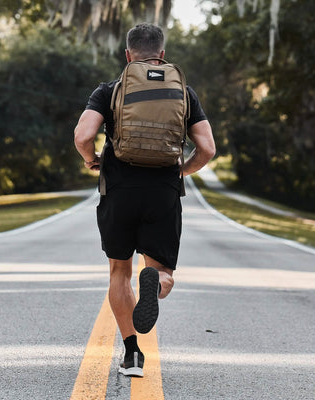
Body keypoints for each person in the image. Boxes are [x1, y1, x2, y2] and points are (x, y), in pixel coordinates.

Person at [74, 23, 215, 377]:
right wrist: (181, 170)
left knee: (119, 271)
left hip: (119, 192)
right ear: (162, 54)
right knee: (160, 270)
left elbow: (83, 135)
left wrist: (91, 159)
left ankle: (132, 354)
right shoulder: (184, 92)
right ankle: (156, 283)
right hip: (162, 192)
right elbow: (208, 148)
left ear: (127, 55)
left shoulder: (110, 90)